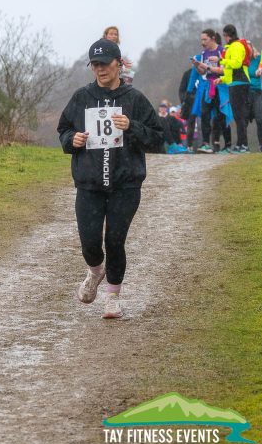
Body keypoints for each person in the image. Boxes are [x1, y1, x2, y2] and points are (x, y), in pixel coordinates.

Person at [57, 38, 164, 319]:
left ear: (119, 64)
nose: (100, 69)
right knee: (90, 242)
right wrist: (72, 139)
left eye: (105, 64)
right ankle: (95, 271)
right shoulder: (82, 97)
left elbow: (157, 138)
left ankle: (113, 298)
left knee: (115, 241)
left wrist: (132, 126)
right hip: (89, 184)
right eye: (95, 64)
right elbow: (64, 130)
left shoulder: (134, 99)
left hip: (125, 183)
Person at [211, 24, 252, 152]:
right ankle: (240, 144)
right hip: (234, 83)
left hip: (240, 82)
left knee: (240, 115)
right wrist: (222, 79)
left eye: (224, 36)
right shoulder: (231, 47)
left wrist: (221, 60)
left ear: (227, 35)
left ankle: (244, 145)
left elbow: (236, 64)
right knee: (237, 116)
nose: (224, 38)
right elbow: (230, 71)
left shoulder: (236, 46)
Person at [190, 29, 231, 153]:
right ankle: (205, 144)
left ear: (213, 38)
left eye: (205, 39)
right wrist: (197, 66)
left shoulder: (222, 51)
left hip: (221, 85)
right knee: (205, 114)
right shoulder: (204, 53)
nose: (202, 42)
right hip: (208, 86)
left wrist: (209, 66)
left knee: (221, 115)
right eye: (201, 40)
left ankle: (228, 145)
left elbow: (224, 70)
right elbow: (203, 72)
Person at [245, 48, 262, 150]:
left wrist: (260, 70)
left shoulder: (258, 58)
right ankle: (243, 145)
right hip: (244, 92)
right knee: (243, 120)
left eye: (249, 47)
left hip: (257, 92)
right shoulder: (242, 60)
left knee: (260, 119)